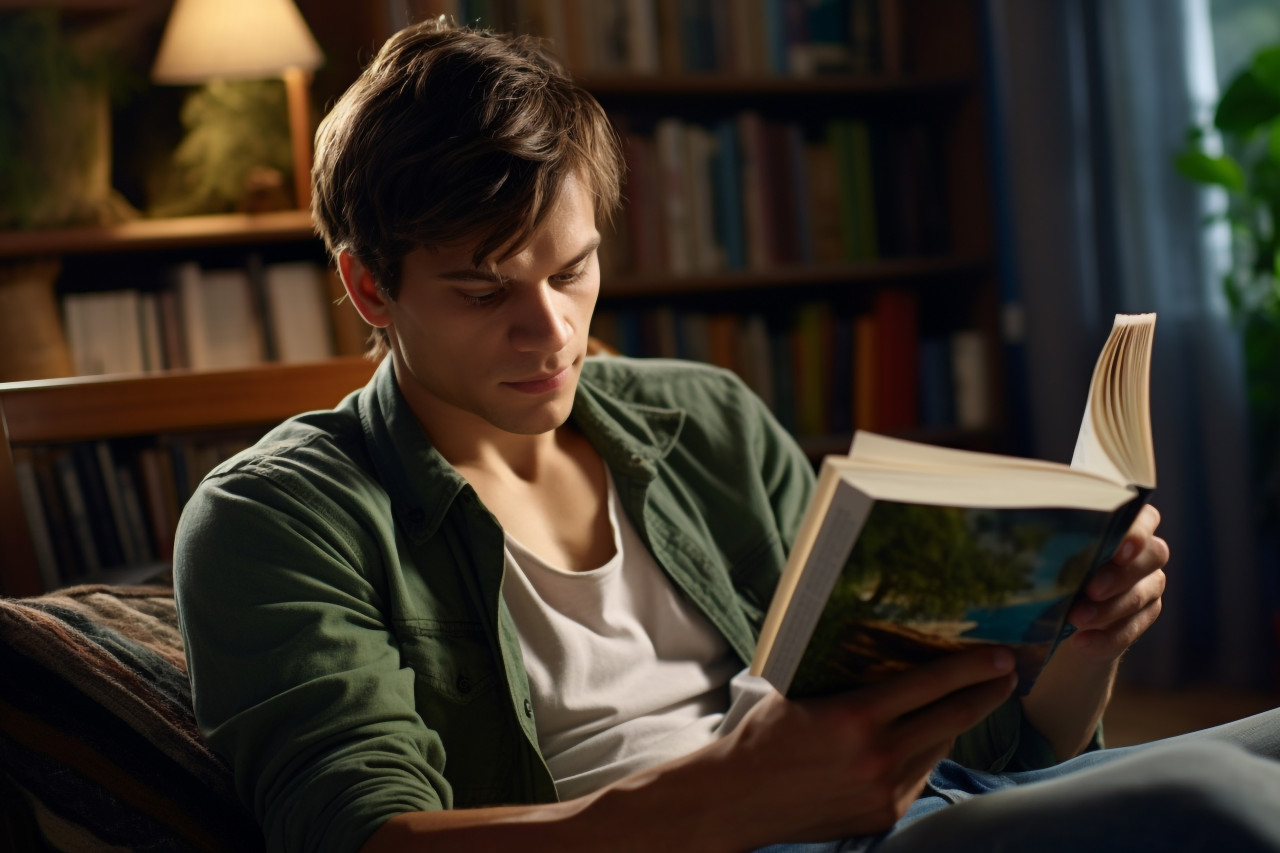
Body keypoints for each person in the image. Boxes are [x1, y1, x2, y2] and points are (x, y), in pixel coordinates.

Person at [173, 19, 1280, 853]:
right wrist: (733, 794)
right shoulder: (277, 513)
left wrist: (1083, 647)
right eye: (480, 290)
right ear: (368, 285)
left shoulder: (700, 418)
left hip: (915, 812)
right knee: (1213, 808)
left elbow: (989, 755)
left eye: (571, 270)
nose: (551, 331)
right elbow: (364, 838)